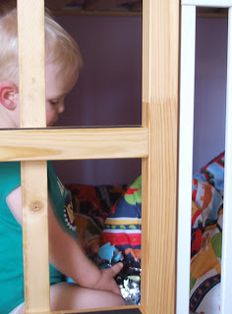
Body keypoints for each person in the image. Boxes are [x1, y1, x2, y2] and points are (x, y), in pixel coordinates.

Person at [0, 5, 124, 314]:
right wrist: (92, 278)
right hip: (23, 297)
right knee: (114, 304)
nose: (63, 109)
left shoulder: (31, 144)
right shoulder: (10, 158)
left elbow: (57, 216)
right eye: (54, 100)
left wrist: (80, 246)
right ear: (10, 96)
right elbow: (45, 231)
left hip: (45, 283)